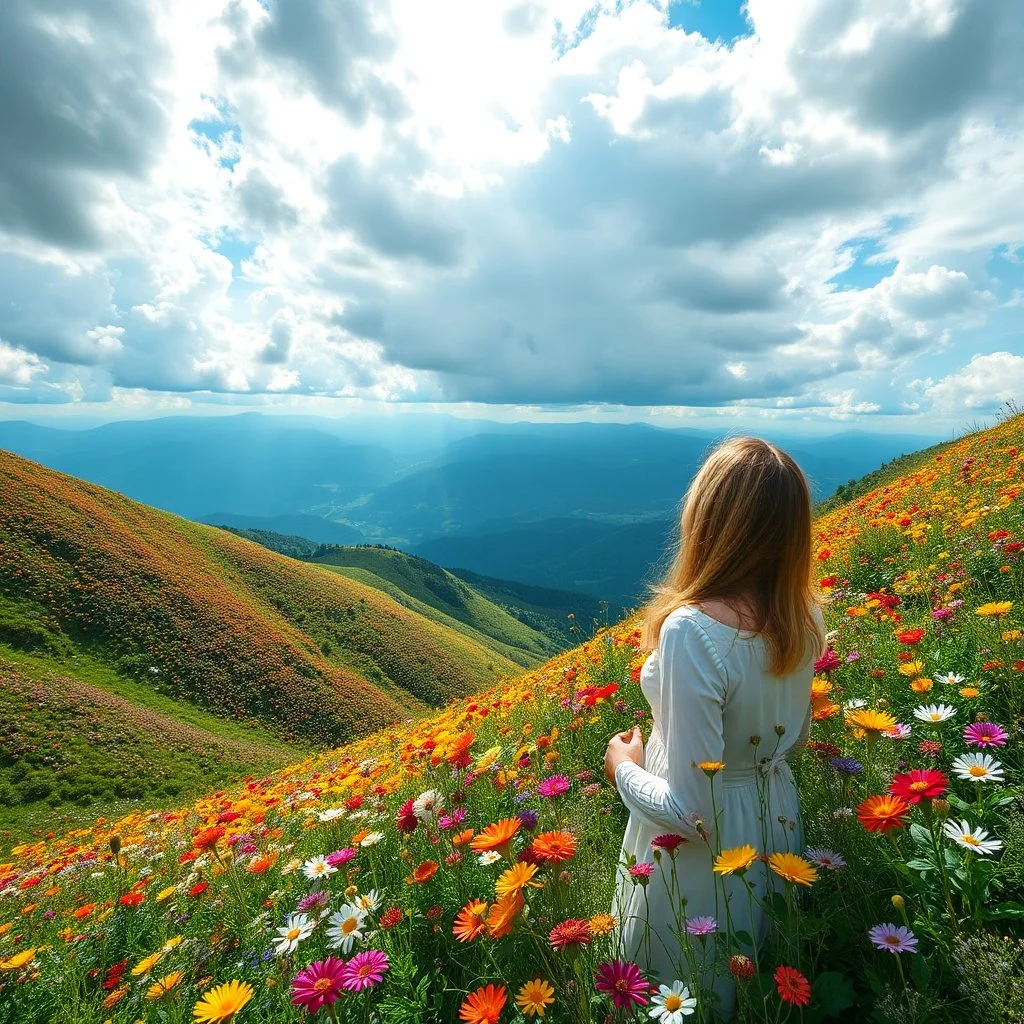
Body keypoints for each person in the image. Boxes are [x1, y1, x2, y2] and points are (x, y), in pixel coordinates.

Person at [605, 436, 825, 1020]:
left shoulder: (690, 632)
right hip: (775, 818)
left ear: (707, 521)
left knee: (685, 993)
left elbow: (690, 815)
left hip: (704, 863)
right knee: (759, 988)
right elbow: (793, 739)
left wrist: (623, 767)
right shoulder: (802, 616)